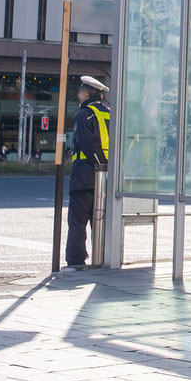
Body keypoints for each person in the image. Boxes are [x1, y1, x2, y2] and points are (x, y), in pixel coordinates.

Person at [65, 75, 111, 269]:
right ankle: (103, 258)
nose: (79, 95)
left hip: (85, 175)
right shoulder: (110, 113)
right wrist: (107, 170)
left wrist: (99, 165)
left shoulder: (83, 115)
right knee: (100, 220)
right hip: (106, 178)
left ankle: (76, 260)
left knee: (77, 221)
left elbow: (88, 144)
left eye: (80, 92)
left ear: (86, 93)